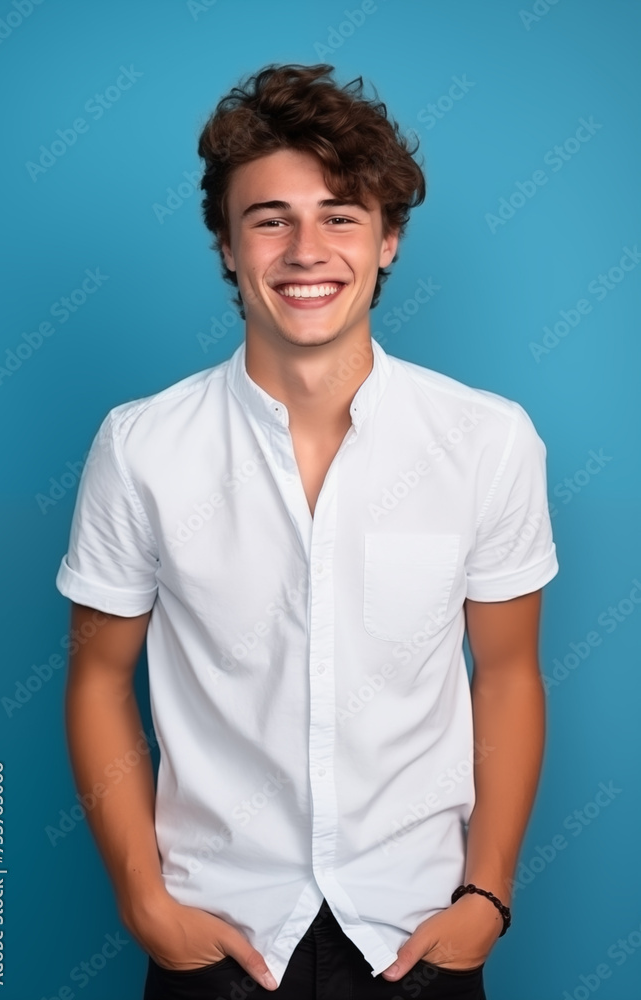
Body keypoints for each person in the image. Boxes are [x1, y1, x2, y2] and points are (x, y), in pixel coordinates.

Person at [56, 63, 558, 1000]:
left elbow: (506, 674)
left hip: (416, 932)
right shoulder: (141, 446)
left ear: (388, 239)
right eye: (269, 219)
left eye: (340, 216)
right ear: (225, 244)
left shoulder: (486, 441)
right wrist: (142, 900)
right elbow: (97, 678)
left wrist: (487, 896)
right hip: (217, 939)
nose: (305, 250)